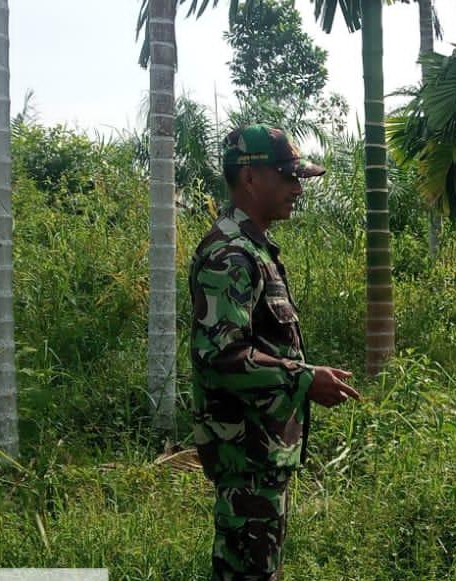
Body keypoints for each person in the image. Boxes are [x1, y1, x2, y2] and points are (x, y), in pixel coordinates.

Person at [189, 124, 360, 581]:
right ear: (250, 178)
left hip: (259, 455)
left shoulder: (253, 249)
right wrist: (304, 378)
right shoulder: (230, 255)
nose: (298, 189)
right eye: (288, 176)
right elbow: (221, 356)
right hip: (245, 457)